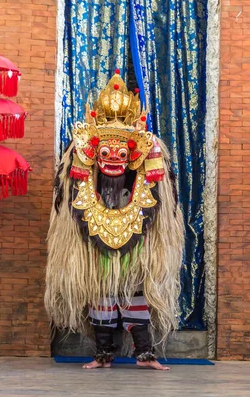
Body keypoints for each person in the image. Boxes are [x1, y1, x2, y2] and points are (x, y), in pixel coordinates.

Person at [44, 71, 184, 371]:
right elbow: (71, 193)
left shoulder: (145, 162)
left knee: (135, 298)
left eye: (122, 153)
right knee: (101, 299)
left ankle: (145, 355)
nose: (113, 158)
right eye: (106, 152)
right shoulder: (81, 158)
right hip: (95, 244)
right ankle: (103, 355)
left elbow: (161, 197)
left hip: (136, 244)